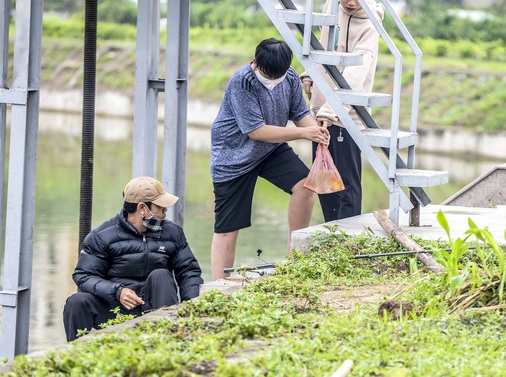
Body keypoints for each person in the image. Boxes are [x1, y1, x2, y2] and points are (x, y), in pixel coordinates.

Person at [210, 38, 330, 280]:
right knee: (227, 227)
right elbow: (256, 131)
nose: (273, 80)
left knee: (305, 186)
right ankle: (220, 285)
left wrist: (315, 131)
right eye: (268, 74)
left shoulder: (290, 76)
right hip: (234, 156)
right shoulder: (242, 82)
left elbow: (299, 113)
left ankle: (295, 260)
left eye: (279, 75)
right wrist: (303, 133)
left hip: (269, 150)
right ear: (255, 63)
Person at [63, 176, 203, 341]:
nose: (165, 212)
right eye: (161, 208)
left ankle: (168, 339)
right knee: (76, 302)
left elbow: (189, 271)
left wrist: (191, 310)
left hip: (154, 305)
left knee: (161, 274)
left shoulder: (173, 232)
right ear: (142, 208)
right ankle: (75, 357)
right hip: (115, 306)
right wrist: (117, 291)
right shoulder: (101, 236)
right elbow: (83, 276)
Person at [300, 0, 384, 222]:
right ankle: (332, 231)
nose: (349, 3)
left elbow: (356, 74)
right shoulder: (332, 6)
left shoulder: (370, 24)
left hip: (345, 116)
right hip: (321, 112)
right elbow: (324, 45)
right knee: (324, 181)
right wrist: (309, 73)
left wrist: (331, 111)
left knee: (346, 184)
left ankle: (349, 238)